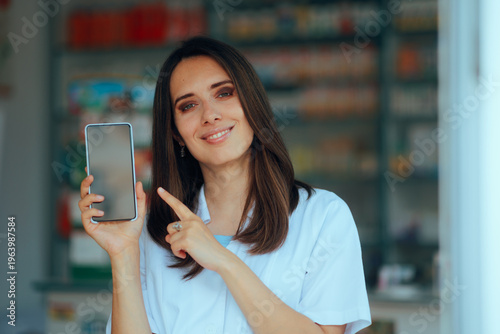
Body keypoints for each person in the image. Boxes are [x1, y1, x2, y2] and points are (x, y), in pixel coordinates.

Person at [79, 36, 371, 334]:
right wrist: (123, 253)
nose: (210, 115)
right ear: (177, 133)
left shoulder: (323, 216)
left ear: (252, 104)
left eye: (224, 93)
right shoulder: (155, 232)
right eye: (188, 105)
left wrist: (223, 261)